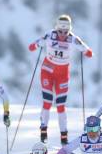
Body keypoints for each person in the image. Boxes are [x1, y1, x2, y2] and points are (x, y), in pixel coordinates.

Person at [29, 14, 93, 144]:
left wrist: (85, 51)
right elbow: (32, 46)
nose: (63, 34)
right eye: (60, 31)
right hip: (47, 71)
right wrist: (36, 45)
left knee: (60, 105)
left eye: (66, 31)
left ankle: (64, 136)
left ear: (70, 29)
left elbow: (89, 53)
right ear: (56, 28)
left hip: (62, 75)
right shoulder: (49, 35)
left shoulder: (73, 39)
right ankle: (43, 131)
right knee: (47, 102)